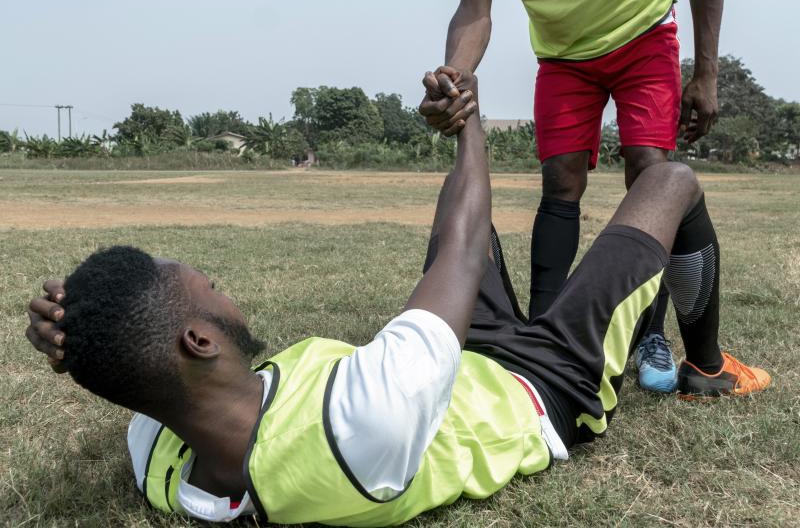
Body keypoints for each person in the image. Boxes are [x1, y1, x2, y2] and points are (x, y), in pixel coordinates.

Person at [26, 74, 768, 526]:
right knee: (667, 182)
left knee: (458, 212)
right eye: (209, 289)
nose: (224, 289)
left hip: (455, 368)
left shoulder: (158, 453)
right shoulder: (361, 425)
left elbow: (121, 361)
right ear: (198, 341)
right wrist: (467, 123)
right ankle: (705, 368)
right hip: (542, 389)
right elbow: (462, 242)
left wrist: (72, 333)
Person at [419, 0, 724, 393]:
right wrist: (455, 75)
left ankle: (649, 336)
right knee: (560, 179)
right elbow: (475, 9)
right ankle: (540, 330)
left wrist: (706, 75)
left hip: (642, 32)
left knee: (650, 172)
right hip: (564, 54)